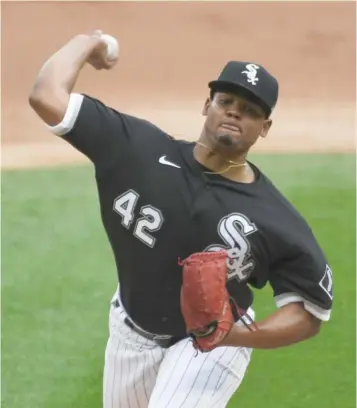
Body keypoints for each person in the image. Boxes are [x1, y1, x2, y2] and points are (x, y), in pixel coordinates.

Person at [29, 30, 334, 408]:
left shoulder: (273, 217)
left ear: (265, 128)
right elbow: (46, 96)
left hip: (211, 346)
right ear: (207, 105)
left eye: (251, 110)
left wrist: (235, 337)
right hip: (130, 332)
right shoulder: (137, 149)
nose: (235, 112)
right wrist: (87, 42)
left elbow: (308, 311)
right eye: (227, 101)